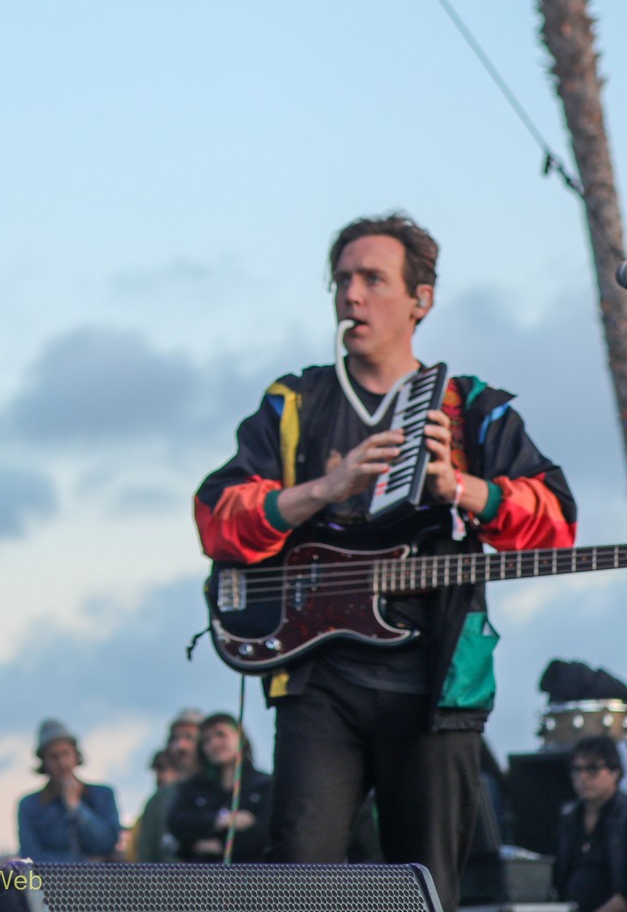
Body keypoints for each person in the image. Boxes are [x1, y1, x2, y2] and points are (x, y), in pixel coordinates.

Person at [193, 214, 575, 912]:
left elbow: (555, 523)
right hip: (319, 680)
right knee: (297, 885)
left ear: (419, 300)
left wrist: (459, 486)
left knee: (425, 888)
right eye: (343, 279)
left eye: (373, 279)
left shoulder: (472, 408)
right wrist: (322, 491)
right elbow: (216, 517)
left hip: (437, 682)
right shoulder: (295, 403)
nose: (352, 295)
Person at [552, 737, 627, 912]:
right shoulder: (569, 817)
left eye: (592, 769)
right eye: (576, 770)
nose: (583, 777)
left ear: (615, 772)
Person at [168, 713, 274, 863]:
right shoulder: (194, 788)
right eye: (206, 740)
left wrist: (222, 846)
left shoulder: (265, 786)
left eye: (221, 735)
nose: (214, 744)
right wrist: (219, 821)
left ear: (240, 737)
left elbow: (268, 832)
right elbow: (177, 823)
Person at [18, 719, 120, 862]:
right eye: (54, 757)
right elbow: (32, 857)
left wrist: (76, 808)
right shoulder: (30, 806)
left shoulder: (102, 795)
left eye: (66, 754)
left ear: (75, 756)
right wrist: (85, 863)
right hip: (52, 883)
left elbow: (106, 843)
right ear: (44, 762)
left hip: (100, 882)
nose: (62, 763)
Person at [131, 708, 202, 862]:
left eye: (189, 737)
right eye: (175, 739)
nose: (181, 746)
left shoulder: (225, 790)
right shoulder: (158, 801)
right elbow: (146, 858)